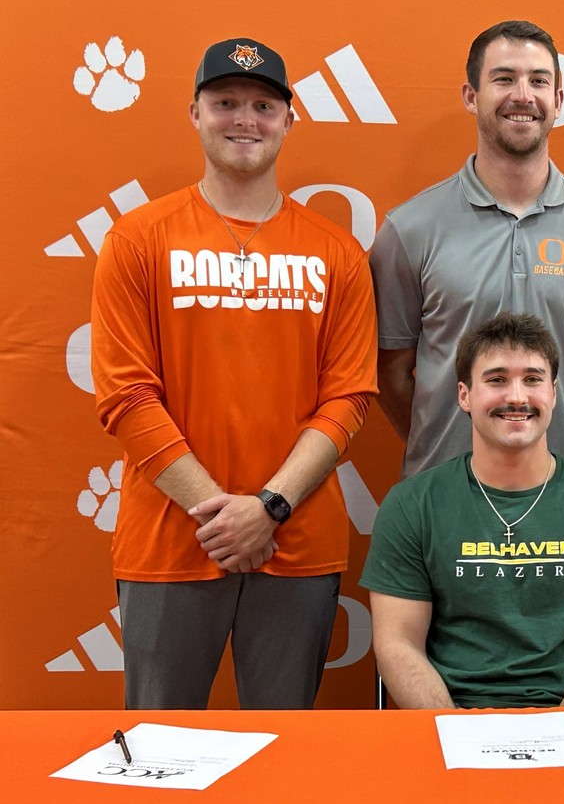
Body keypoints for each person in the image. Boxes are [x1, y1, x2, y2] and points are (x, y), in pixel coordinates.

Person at [91, 37, 377, 709]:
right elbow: (126, 396)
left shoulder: (336, 252)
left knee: (284, 751)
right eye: (225, 103)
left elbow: (348, 397)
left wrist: (268, 507)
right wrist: (218, 512)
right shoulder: (137, 239)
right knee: (160, 751)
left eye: (261, 105)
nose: (244, 119)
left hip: (296, 538)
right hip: (171, 539)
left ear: (288, 120)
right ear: (195, 112)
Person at [370, 20, 564, 478]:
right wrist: (446, 441)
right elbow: (390, 372)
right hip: (443, 494)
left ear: (558, 101)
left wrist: (553, 443)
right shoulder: (410, 229)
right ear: (470, 96)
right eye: (503, 78)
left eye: (539, 81)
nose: (523, 95)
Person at [360, 312, 564, 708]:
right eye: (496, 379)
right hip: (446, 717)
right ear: (464, 395)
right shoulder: (412, 504)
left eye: (532, 379)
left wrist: (560, 729)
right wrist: (454, 729)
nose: (517, 397)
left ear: (553, 392)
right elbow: (398, 645)